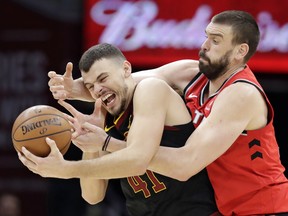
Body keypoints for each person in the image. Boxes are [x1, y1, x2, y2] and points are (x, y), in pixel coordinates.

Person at [47, 10, 288, 215]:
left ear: (240, 51)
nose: (204, 44)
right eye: (206, 37)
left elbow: (184, 164)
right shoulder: (188, 72)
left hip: (264, 206)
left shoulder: (241, 95)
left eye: (216, 40)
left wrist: (106, 143)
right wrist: (75, 88)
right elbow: (124, 83)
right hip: (224, 208)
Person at [18, 43, 218, 216]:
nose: (97, 90)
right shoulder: (106, 117)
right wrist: (90, 147)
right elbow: (93, 196)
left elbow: (138, 159)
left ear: (126, 69)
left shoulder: (151, 89)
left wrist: (66, 168)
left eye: (103, 78)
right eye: (90, 86)